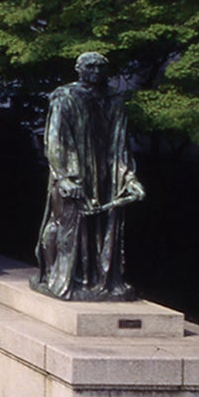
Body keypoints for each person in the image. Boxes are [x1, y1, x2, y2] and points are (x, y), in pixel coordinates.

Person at [33, 50, 145, 300]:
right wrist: (63, 177)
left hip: (105, 176)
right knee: (65, 225)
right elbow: (54, 139)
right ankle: (56, 275)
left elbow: (120, 144)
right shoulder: (65, 96)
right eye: (90, 67)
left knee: (100, 229)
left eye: (101, 68)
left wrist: (129, 179)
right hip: (73, 173)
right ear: (79, 69)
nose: (96, 72)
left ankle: (97, 281)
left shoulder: (114, 99)